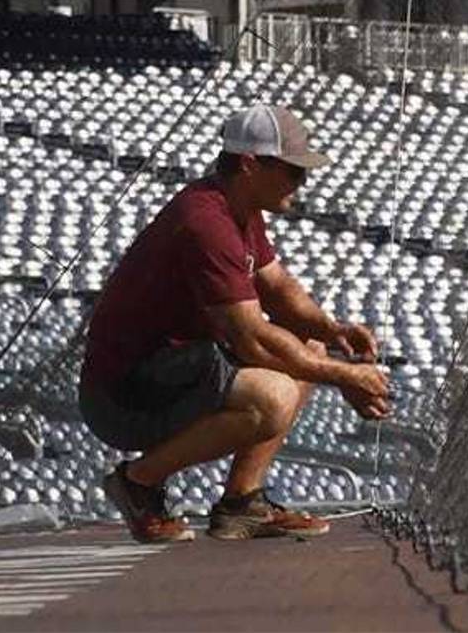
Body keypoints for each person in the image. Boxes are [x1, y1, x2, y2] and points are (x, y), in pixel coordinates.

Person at [78, 105, 391, 543]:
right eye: (293, 172)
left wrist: (331, 331)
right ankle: (137, 482)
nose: (301, 184)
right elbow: (253, 343)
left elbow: (278, 288)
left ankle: (242, 503)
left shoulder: (239, 209)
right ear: (249, 165)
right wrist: (346, 377)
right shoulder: (206, 221)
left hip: (174, 366)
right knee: (274, 392)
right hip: (123, 393)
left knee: (310, 347)